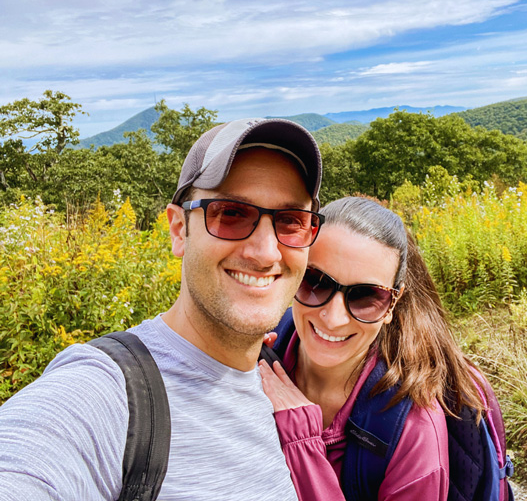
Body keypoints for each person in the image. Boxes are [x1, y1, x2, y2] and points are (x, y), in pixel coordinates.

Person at [0, 117, 324, 501]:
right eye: (231, 213)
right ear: (179, 230)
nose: (266, 252)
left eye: (291, 221)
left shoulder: (283, 370)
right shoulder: (110, 394)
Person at [259, 196, 487, 501]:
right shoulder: (260, 346)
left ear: (393, 302)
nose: (334, 318)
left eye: (366, 297)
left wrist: (300, 442)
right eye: (316, 282)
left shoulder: (412, 431)